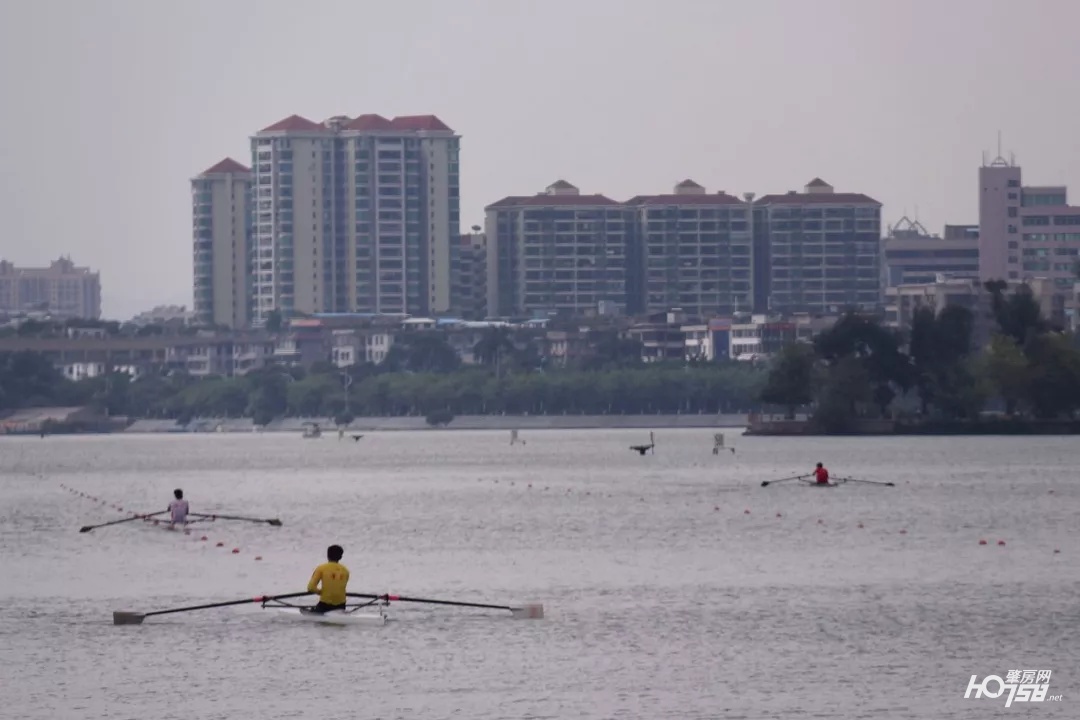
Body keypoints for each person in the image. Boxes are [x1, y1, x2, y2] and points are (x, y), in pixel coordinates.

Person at [307, 544, 350, 614]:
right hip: (341, 605)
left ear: (327, 555)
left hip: (325, 605)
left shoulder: (321, 568)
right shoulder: (346, 571)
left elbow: (311, 587)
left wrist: (321, 592)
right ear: (340, 557)